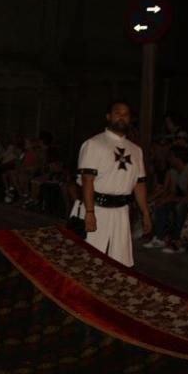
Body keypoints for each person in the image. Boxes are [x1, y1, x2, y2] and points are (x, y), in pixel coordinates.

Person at [70, 100, 152, 267]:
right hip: (97, 209)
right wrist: (90, 211)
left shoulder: (136, 150)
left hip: (121, 211)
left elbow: (139, 184)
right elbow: (87, 180)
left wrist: (145, 213)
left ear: (130, 119)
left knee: (121, 262)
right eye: (117, 113)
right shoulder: (94, 144)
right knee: (89, 260)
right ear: (108, 116)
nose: (121, 117)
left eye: (126, 114)